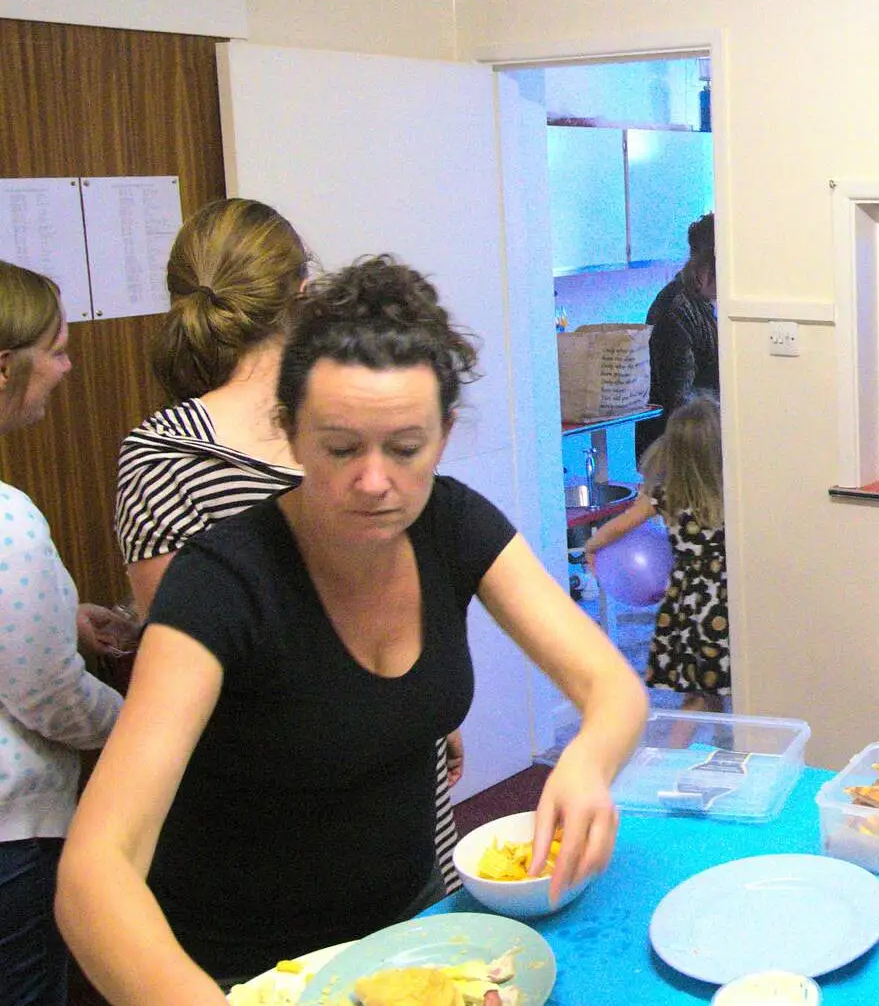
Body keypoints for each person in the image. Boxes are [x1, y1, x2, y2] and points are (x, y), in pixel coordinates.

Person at [58, 256, 648, 999]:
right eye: (341, 448)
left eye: (406, 448)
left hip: (409, 935)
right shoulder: (223, 582)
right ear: (290, 432)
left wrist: (587, 763)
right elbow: (93, 872)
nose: (375, 482)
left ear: (444, 432)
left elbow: (611, 687)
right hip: (240, 969)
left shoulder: (455, 523)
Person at [113, 198, 464, 893]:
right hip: (345, 816)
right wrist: (405, 707)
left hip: (256, 815)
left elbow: (182, 653)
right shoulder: (361, 431)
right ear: (304, 296)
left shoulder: (155, 456)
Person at [0, 260, 128, 1006]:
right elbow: (50, 697)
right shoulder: (9, 520)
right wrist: (142, 724)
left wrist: (60, 612)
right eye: (56, 349)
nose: (67, 366)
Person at [588, 394, 728, 717]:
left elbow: (619, 526)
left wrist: (593, 545)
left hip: (689, 601)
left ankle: (712, 744)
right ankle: (701, 747)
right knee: (716, 684)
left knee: (700, 688)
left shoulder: (665, 495)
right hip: (726, 598)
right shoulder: (730, 492)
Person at [635, 213, 716, 463]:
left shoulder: (701, 304)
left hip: (696, 448)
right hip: (677, 457)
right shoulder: (676, 311)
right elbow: (679, 404)